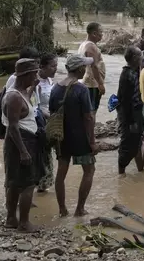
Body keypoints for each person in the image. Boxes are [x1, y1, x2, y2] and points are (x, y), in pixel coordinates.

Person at [50, 55, 99, 217]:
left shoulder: (56, 88)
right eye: (84, 67)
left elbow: (52, 113)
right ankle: (79, 209)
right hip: (80, 138)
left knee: (61, 173)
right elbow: (88, 117)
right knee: (89, 170)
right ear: (79, 69)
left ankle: (62, 209)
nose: (86, 69)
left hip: (61, 137)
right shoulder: (81, 89)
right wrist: (92, 142)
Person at [2, 59, 44, 233]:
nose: (36, 76)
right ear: (25, 75)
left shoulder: (20, 92)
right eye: (34, 73)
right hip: (20, 141)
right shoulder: (14, 97)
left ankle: (11, 219)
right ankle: (24, 222)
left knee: (13, 182)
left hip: (21, 140)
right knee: (27, 184)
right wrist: (24, 151)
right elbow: (13, 126)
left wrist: (33, 87)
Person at [116, 47, 144, 175]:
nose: (142, 58)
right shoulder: (128, 74)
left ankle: (141, 170)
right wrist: (130, 120)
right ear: (134, 58)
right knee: (128, 142)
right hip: (129, 113)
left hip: (136, 111)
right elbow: (125, 100)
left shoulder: (134, 71)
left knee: (137, 141)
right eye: (140, 56)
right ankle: (121, 172)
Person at [37, 53, 58, 192]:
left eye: (56, 65)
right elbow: (35, 106)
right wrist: (51, 117)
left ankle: (42, 188)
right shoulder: (35, 82)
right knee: (40, 155)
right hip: (39, 123)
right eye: (52, 66)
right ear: (42, 67)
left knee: (47, 155)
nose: (55, 69)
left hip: (50, 122)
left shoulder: (49, 81)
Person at [78, 22, 106, 113]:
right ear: (94, 33)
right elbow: (93, 66)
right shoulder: (91, 46)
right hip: (92, 84)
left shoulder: (84, 44)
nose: (102, 34)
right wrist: (100, 84)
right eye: (100, 32)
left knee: (87, 110)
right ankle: (90, 127)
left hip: (87, 82)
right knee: (91, 111)